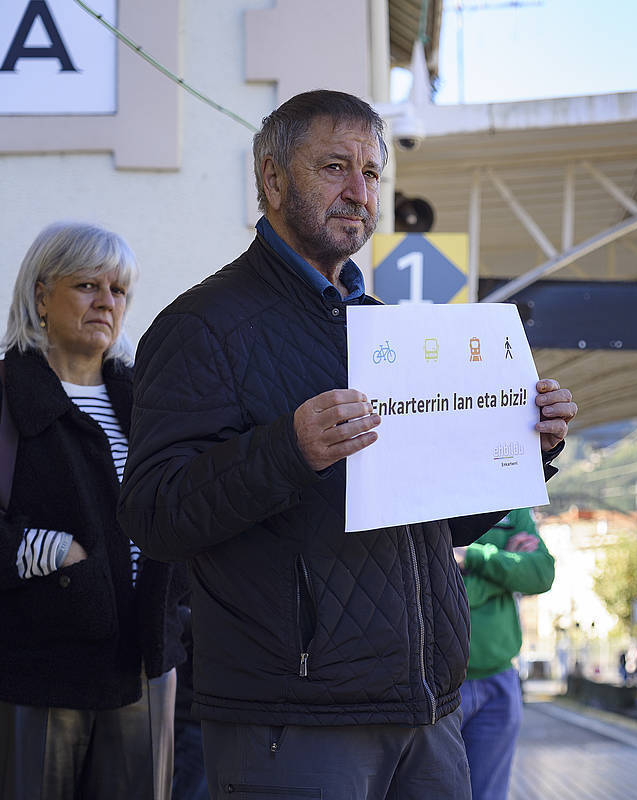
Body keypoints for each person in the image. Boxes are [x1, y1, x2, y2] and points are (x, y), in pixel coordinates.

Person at [117, 90, 577, 799]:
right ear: (271, 179)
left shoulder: (387, 330)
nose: (358, 191)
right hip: (293, 720)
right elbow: (153, 513)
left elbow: (430, 521)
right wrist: (286, 450)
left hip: (427, 713)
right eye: (334, 166)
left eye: (370, 173)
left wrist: (522, 448)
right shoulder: (202, 326)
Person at [0, 221, 184, 800]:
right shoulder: (9, 394)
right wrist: (61, 553)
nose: (107, 302)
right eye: (87, 286)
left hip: (145, 662)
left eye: (119, 290)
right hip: (41, 664)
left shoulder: (146, 401)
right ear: (40, 296)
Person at [455, 508, 554, 800]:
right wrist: (506, 572)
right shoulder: (438, 496)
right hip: (441, 685)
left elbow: (542, 573)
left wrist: (474, 558)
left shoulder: (513, 503)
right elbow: (433, 587)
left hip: (499, 681)